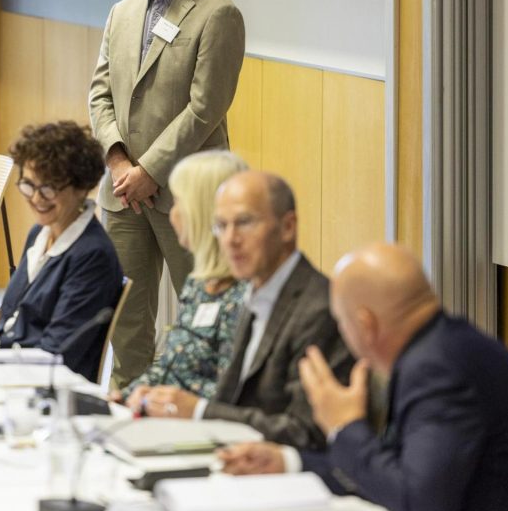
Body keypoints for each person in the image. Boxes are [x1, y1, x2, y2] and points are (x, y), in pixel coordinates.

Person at [219, 243, 508, 511]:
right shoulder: (441, 349)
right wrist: (288, 461)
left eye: (342, 324)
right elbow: (394, 472)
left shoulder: (439, 371)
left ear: (366, 323)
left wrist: (344, 427)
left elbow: (420, 505)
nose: (344, 335)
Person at [89, 0, 246, 387]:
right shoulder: (124, 11)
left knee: (207, 315)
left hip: (183, 192)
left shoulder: (218, 13)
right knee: (125, 319)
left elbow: (205, 110)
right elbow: (100, 94)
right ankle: (133, 408)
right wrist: (118, 164)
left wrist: (148, 171)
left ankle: (211, 411)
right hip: (122, 194)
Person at [126, 171, 352, 450]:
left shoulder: (317, 308)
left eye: (244, 223)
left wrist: (197, 411)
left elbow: (305, 433)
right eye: (221, 226)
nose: (231, 240)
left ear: (288, 227)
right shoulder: (253, 292)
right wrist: (160, 400)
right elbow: (231, 401)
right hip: (234, 456)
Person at [0, 121, 124, 382]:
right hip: (4, 365)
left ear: (81, 187)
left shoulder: (92, 255)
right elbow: (13, 315)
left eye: (48, 188)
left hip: (41, 385)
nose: (36, 198)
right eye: (28, 185)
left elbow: (59, 353)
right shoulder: (40, 233)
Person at [114, 150, 249, 400]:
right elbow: (170, 367)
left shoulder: (247, 295)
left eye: (179, 203)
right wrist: (125, 396)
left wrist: (167, 400)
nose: (172, 215)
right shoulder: (199, 286)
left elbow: (235, 391)